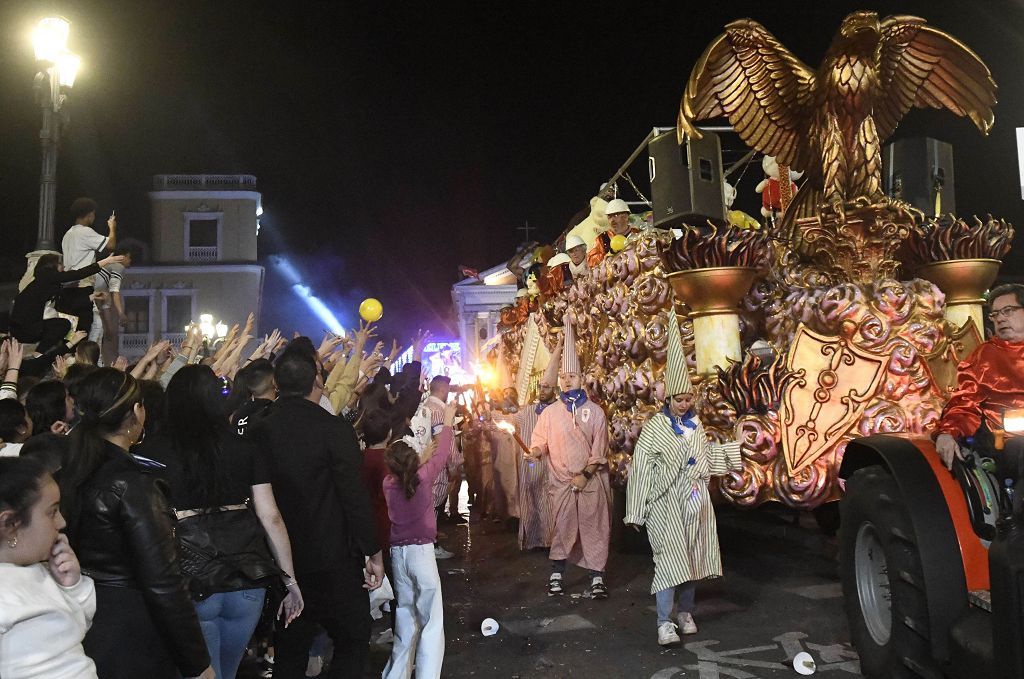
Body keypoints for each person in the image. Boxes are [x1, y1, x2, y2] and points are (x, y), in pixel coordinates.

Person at [142, 365, 304, 679]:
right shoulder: (245, 448)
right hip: (246, 579)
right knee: (227, 673)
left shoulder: (152, 453)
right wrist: (290, 581)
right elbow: (270, 517)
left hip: (189, 580)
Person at [59, 368, 213, 679]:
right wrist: (197, 663)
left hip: (78, 615)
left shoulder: (69, 471)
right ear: (134, 413)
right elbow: (163, 580)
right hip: (131, 627)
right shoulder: (134, 485)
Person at [249, 350, 383, 679]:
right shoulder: (334, 429)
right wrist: (373, 551)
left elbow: (263, 504)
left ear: (277, 384)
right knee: (352, 641)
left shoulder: (261, 430)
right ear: (317, 381)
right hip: (336, 557)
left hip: (286, 560)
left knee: (291, 648)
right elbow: (354, 496)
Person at [624, 316, 743, 647]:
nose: (685, 404)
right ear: (669, 399)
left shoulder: (697, 426)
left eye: (689, 399)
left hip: (694, 499)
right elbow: (642, 469)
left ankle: (685, 613)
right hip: (665, 504)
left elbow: (706, 459)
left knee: (692, 559)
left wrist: (736, 448)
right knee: (669, 560)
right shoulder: (654, 429)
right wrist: (635, 511)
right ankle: (664, 621)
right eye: (679, 399)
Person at [528, 318, 611, 598]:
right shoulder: (550, 412)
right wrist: (536, 451)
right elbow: (540, 442)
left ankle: (597, 577)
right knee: (562, 527)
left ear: (582, 378)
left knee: (594, 527)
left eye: (571, 377)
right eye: (563, 377)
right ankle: (556, 573)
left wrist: (585, 474)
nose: (566, 381)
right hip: (561, 482)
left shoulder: (596, 412)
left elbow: (599, 450)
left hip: (590, 480)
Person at [0, 457, 98, 679]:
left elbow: (76, 629)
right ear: (10, 524)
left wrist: (72, 585)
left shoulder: (39, 569)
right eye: (52, 512)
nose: (62, 522)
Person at [382, 400, 458, 679]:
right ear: (415, 461)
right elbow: (440, 455)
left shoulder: (388, 483)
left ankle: (396, 674)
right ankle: (426, 674)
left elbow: (415, 466)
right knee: (431, 620)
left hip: (398, 555)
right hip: (421, 553)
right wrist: (447, 422)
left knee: (405, 616)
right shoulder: (424, 478)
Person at [936, 284, 1024, 471]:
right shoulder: (984, 356)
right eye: (994, 314)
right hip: (1008, 442)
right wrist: (948, 432)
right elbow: (965, 403)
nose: (1000, 318)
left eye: (1008, 311)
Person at [10, 253, 125, 353]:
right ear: (52, 265)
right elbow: (78, 274)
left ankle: (42, 353)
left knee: (64, 324)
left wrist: (92, 296)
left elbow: (68, 304)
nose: (64, 267)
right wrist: (106, 261)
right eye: (61, 264)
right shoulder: (46, 276)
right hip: (23, 326)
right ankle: (39, 354)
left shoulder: (50, 283)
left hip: (30, 325)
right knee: (63, 325)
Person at [515, 344, 560, 550]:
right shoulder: (529, 411)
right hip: (531, 463)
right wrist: (491, 417)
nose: (542, 391)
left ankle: (551, 541)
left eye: (546, 387)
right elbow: (511, 420)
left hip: (552, 464)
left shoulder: (560, 412)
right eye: (541, 387)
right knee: (530, 500)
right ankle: (533, 540)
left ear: (555, 390)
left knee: (550, 503)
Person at [61, 198, 118, 336]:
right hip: (82, 287)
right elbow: (110, 245)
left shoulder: (68, 234)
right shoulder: (84, 232)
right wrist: (112, 227)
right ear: (90, 214)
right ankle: (84, 357)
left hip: (69, 288)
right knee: (89, 330)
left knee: (78, 330)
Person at [94, 247, 131, 366]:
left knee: (98, 330)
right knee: (97, 330)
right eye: (129, 257)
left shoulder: (105, 282)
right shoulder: (118, 267)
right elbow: (115, 292)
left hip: (90, 299)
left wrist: (108, 328)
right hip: (88, 297)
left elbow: (106, 304)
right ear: (123, 256)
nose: (130, 261)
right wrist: (121, 313)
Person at [586, 198, 636, 267]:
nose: (612, 220)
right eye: (609, 217)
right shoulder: (602, 239)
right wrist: (610, 254)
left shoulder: (638, 234)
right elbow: (591, 262)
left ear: (626, 217)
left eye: (615, 215)